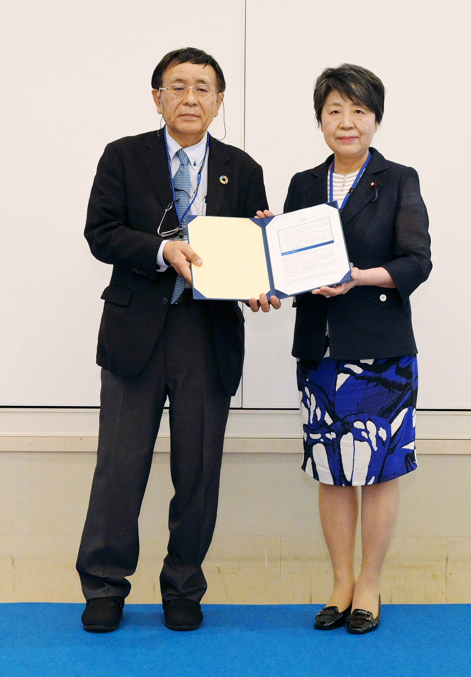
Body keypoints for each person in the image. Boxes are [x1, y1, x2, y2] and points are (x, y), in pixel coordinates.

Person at [76, 47, 272, 633]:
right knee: (120, 466)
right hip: (136, 332)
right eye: (178, 87)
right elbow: (101, 232)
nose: (191, 98)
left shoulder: (243, 166)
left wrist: (262, 282)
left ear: (219, 100)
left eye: (203, 88)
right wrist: (162, 250)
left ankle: (183, 585)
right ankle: (105, 586)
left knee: (199, 470)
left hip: (206, 335)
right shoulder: (123, 157)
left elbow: (249, 252)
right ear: (157, 96)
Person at [280, 64, 431, 634]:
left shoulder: (398, 179)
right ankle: (340, 582)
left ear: (376, 119)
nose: (347, 122)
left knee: (378, 470)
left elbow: (417, 260)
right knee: (330, 470)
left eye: (359, 111)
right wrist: (272, 251)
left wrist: (359, 277)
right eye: (335, 111)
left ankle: (370, 583)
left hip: (381, 351)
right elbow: (292, 267)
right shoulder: (301, 183)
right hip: (319, 348)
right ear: (320, 119)